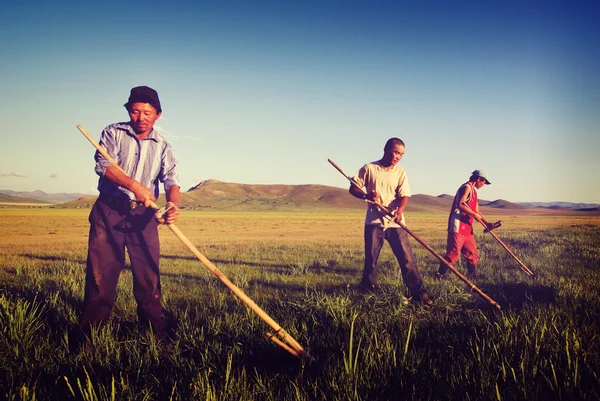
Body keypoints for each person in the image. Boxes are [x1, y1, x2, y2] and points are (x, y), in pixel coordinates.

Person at [79, 86, 180, 342]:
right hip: (109, 211)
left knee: (148, 278)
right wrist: (134, 186)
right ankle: (89, 337)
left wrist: (172, 205)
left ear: (158, 114)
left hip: (143, 217)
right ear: (128, 111)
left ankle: (155, 337)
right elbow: (104, 166)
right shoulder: (113, 132)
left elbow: (171, 180)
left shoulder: (163, 146)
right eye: (135, 111)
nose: (141, 117)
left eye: (147, 112)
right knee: (101, 276)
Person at [349, 138, 432, 305]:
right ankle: (367, 292)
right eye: (396, 152)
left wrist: (400, 210)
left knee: (407, 259)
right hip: (373, 222)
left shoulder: (400, 172)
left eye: (401, 154)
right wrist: (366, 195)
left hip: (395, 222)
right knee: (371, 259)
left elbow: (404, 196)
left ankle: (419, 292)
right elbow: (353, 188)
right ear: (386, 149)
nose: (398, 157)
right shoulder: (369, 168)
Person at [437, 170, 492, 279]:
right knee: (453, 252)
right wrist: (473, 214)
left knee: (472, 252)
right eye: (483, 182)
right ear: (478, 179)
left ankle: (473, 276)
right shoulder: (466, 188)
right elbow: (460, 204)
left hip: (467, 226)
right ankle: (441, 275)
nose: (483, 185)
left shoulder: (474, 192)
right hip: (457, 225)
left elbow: (476, 210)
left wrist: (486, 223)